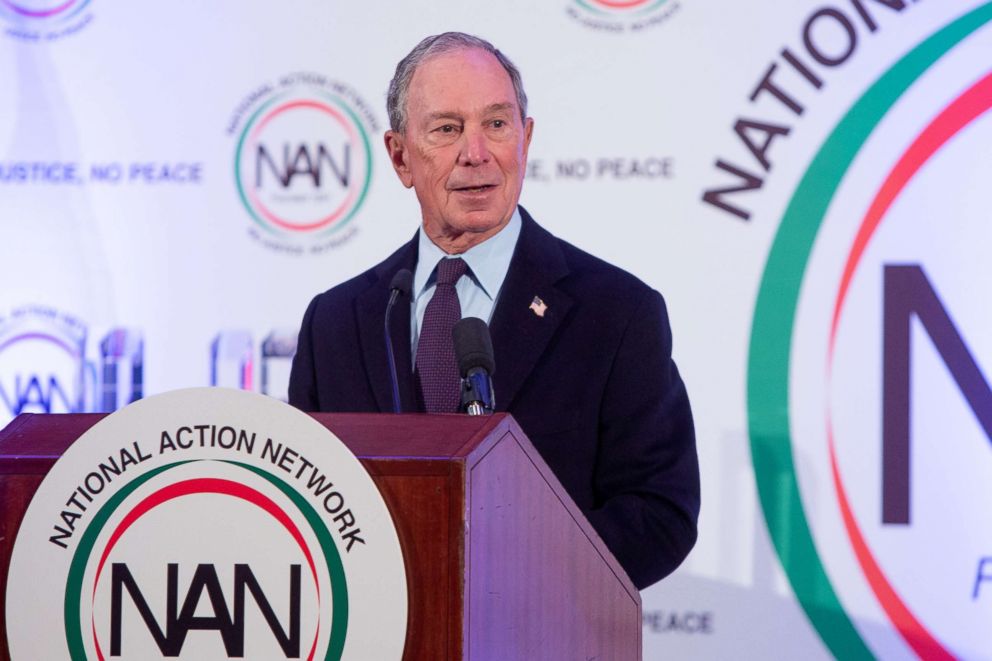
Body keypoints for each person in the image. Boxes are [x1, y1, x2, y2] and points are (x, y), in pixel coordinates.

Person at [289, 32, 699, 589]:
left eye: (497, 124)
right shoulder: (335, 324)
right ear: (400, 155)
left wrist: (516, 579)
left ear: (525, 139)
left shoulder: (616, 313)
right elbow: (306, 508)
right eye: (447, 128)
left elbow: (660, 512)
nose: (475, 152)